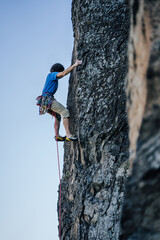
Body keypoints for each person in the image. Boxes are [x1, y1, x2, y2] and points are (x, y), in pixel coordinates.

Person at [36, 60, 82, 142]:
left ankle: (57, 135)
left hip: (44, 100)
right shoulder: (52, 75)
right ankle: (68, 135)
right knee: (65, 112)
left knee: (57, 116)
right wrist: (74, 65)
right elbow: (63, 73)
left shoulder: (52, 78)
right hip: (47, 99)